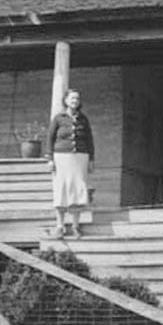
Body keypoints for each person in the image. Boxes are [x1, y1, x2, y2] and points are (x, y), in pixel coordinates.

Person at [47, 88, 94, 238]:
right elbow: (50, 138)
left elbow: (89, 140)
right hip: (61, 158)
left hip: (80, 158)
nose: (75, 101)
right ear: (66, 101)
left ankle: (75, 226)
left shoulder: (83, 119)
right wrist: (50, 159)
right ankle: (60, 226)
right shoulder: (58, 118)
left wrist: (91, 159)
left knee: (77, 191)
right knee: (61, 191)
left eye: (77, 99)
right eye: (72, 98)